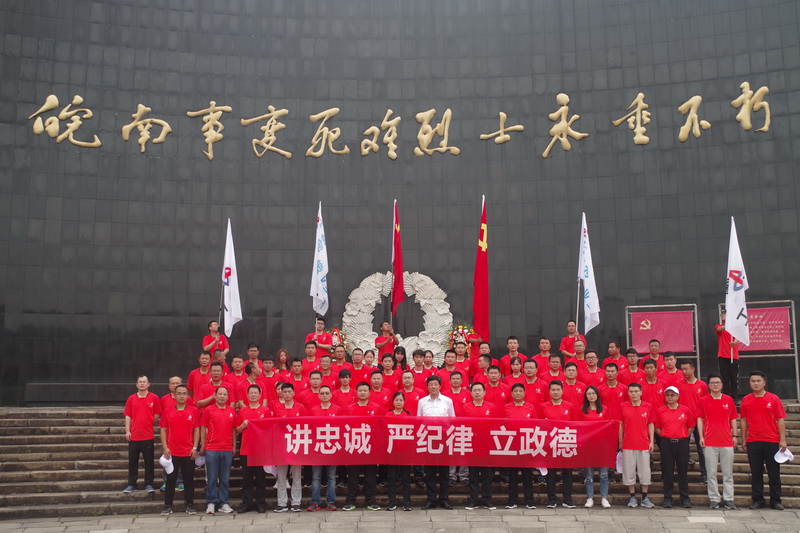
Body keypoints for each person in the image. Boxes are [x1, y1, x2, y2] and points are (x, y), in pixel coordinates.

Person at [740, 371, 787, 510]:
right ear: (749, 383)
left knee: (774, 472)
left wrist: (782, 439)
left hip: (772, 440)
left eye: (758, 381)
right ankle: (757, 500)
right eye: (753, 381)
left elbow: (780, 420)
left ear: (764, 383)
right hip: (753, 440)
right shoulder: (746, 400)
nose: (756, 383)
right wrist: (743, 439)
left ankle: (775, 500)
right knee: (756, 473)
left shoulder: (774, 399)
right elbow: (743, 420)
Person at [697, 372, 739, 510]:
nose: (715, 385)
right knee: (711, 473)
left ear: (722, 384)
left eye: (718, 382)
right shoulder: (703, 400)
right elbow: (700, 419)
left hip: (726, 441)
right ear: (708, 385)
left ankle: (728, 499)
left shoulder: (728, 400)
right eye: (712, 383)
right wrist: (701, 437)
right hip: (709, 441)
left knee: (728, 473)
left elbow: (733, 418)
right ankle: (714, 499)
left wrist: (735, 435)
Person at [158, 384, 199, 515]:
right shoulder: (167, 411)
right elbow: (163, 430)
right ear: (174, 395)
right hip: (172, 452)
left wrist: (195, 447)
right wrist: (165, 447)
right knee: (170, 480)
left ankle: (190, 505)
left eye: (184, 394)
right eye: (179, 393)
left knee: (188, 480)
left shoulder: (193, 411)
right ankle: (167, 506)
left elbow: (196, 430)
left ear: (188, 396)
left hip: (188, 452)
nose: (182, 396)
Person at [417, 375, 455, 510]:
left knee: (444, 472)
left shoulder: (447, 401)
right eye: (431, 384)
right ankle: (431, 500)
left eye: (435, 384)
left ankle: (444, 499)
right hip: (428, 439)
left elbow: (452, 420)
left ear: (440, 386)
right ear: (427, 386)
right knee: (430, 472)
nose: (433, 387)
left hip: (443, 439)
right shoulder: (422, 402)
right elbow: (419, 420)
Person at [654, 386, 695, 508]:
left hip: (682, 443)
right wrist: (665, 436)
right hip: (666, 443)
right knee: (667, 471)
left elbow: (691, 426)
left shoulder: (685, 410)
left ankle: (685, 498)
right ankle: (667, 498)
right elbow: (657, 427)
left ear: (677, 396)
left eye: (672, 395)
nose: (670, 397)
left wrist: (684, 436)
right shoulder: (661, 410)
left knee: (683, 471)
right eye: (667, 395)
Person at [343, 382, 381, 511]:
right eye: (360, 390)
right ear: (356, 392)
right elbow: (346, 426)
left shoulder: (376, 407)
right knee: (353, 476)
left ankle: (371, 501)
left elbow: (379, 426)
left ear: (370, 393)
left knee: (370, 476)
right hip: (354, 445)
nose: (363, 393)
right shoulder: (350, 408)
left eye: (365, 390)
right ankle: (350, 501)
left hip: (370, 447)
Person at [462, 382, 498, 510]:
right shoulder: (466, 407)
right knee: (473, 475)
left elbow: (495, 425)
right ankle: (473, 501)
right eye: (475, 390)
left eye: (479, 390)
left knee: (487, 475)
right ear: (471, 393)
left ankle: (487, 500)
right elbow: (462, 425)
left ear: (484, 392)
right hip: (472, 444)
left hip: (487, 445)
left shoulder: (491, 407)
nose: (477, 393)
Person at [619, 382, 655, 509]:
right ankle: (632, 497)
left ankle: (645, 497)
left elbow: (651, 424)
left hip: (643, 443)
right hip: (628, 443)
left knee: (645, 471)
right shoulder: (623, 406)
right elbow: (621, 424)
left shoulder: (648, 406)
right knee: (629, 471)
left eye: (636, 391)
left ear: (641, 392)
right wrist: (620, 441)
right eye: (631, 391)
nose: (633, 394)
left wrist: (651, 441)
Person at [200, 386, 236, 514]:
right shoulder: (208, 410)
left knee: (225, 478)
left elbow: (233, 429)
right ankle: (211, 502)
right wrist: (203, 445)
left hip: (227, 448)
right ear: (215, 396)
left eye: (224, 394)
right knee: (212, 478)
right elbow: (203, 427)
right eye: (220, 394)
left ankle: (223, 503)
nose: (222, 396)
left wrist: (234, 446)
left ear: (228, 397)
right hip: (211, 448)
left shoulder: (231, 410)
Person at [123, 375, 162, 494]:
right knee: (132, 461)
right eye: (140, 382)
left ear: (148, 384)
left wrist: (149, 422)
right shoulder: (131, 398)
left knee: (149, 461)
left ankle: (148, 484)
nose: (142, 384)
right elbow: (128, 415)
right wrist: (127, 431)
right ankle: (132, 484)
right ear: (136, 384)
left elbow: (157, 413)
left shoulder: (154, 398)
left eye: (144, 382)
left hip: (147, 435)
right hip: (134, 435)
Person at [541, 380, 576, 508]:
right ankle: (552, 500)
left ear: (562, 391)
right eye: (553, 390)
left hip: (566, 443)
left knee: (567, 473)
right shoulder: (543, 406)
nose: (555, 392)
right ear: (549, 391)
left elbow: (575, 424)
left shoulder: (569, 406)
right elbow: (539, 425)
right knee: (551, 474)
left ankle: (568, 499)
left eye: (558, 390)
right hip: (550, 444)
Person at [235, 384, 270, 513]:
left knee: (261, 478)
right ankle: (247, 503)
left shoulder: (265, 411)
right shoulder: (242, 411)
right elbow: (237, 429)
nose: (253, 395)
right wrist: (243, 425)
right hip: (246, 449)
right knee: (246, 479)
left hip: (260, 450)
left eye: (256, 393)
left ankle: (261, 503)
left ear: (260, 395)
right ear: (247, 395)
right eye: (251, 393)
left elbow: (269, 429)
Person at [273, 383, 307, 512]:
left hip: (296, 445)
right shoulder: (277, 409)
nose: (287, 394)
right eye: (285, 392)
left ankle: (296, 502)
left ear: (293, 393)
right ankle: (282, 503)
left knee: (297, 476)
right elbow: (274, 427)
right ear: (281, 393)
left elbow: (306, 425)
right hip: (281, 446)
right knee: (281, 476)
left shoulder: (300, 407)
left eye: (289, 392)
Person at [505, 383, 539, 510]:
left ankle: (529, 501)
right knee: (512, 475)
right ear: (512, 393)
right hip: (512, 445)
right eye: (516, 391)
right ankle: (512, 501)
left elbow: (536, 424)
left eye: (520, 391)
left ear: (524, 393)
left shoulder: (530, 407)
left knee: (527, 475)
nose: (518, 393)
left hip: (527, 444)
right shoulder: (506, 407)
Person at [308, 385, 341, 512]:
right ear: (318, 395)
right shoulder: (313, 410)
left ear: (331, 395)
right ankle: (315, 502)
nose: (325, 395)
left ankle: (330, 501)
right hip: (317, 448)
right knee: (316, 477)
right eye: (322, 393)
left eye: (327, 393)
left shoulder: (337, 409)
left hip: (332, 448)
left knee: (331, 477)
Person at [580, 386, 611, 508]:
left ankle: (604, 498)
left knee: (603, 474)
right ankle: (590, 498)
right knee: (589, 475)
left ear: (597, 395)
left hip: (602, 446)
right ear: (585, 396)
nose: (591, 395)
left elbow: (609, 426)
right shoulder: (582, 410)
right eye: (589, 394)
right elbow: (578, 426)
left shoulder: (604, 409)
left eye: (593, 393)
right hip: (588, 446)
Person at [678, 359, 708, 483]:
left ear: (693, 369)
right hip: (683, 422)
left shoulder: (702, 385)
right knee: (682, 451)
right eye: (682, 369)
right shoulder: (678, 384)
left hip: (699, 422)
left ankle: (705, 475)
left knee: (702, 450)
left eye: (686, 369)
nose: (684, 372)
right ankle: (682, 476)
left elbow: (706, 404)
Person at [385, 392, 413, 512]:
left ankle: (407, 502)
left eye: (401, 400)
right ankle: (392, 502)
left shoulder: (409, 415)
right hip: (392, 451)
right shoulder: (388, 415)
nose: (398, 402)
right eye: (396, 400)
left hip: (405, 451)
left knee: (406, 478)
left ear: (404, 402)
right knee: (392, 478)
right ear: (393, 402)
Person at [715, 311, 741, 401]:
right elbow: (719, 329)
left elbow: (738, 337)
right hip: (722, 356)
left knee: (733, 377)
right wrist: (729, 324)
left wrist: (734, 342)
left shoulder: (736, 328)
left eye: (724, 314)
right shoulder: (719, 326)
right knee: (724, 377)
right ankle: (726, 397)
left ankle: (735, 397)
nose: (722, 316)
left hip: (733, 356)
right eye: (721, 315)